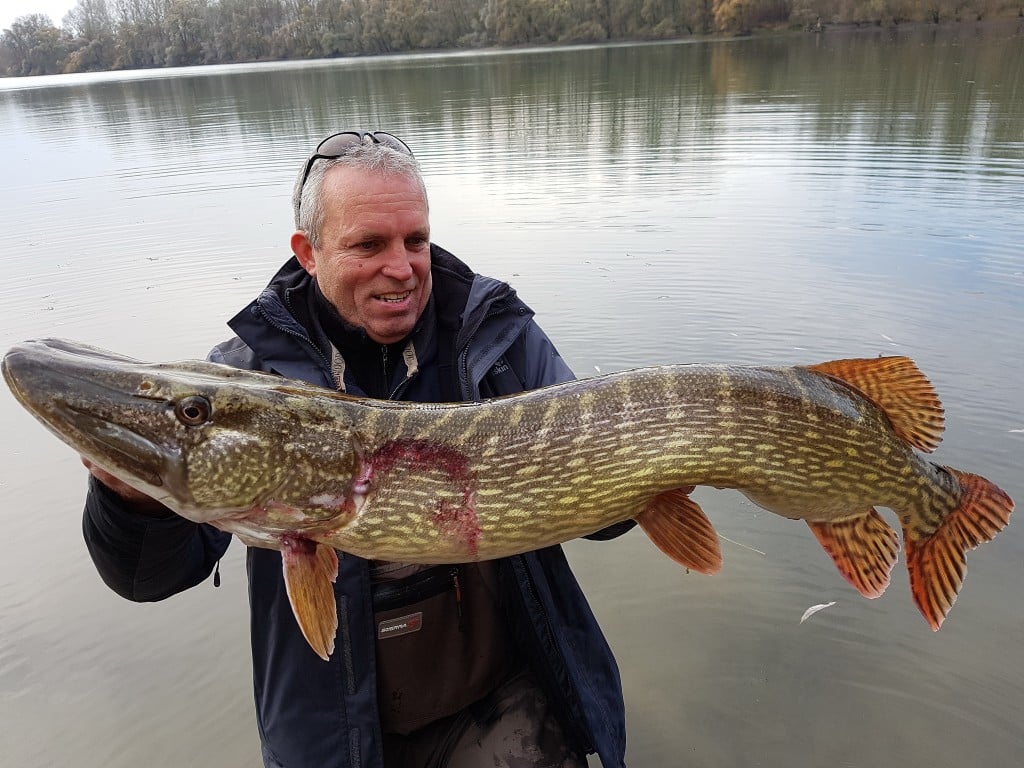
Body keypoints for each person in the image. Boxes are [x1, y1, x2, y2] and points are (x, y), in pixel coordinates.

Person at [82, 131, 631, 768]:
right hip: (336, 738)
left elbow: (604, 516)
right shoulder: (246, 381)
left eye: (415, 241)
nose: (401, 267)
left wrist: (658, 469)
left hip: (504, 710)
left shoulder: (496, 339)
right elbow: (152, 577)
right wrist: (131, 503)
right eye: (368, 244)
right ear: (308, 253)